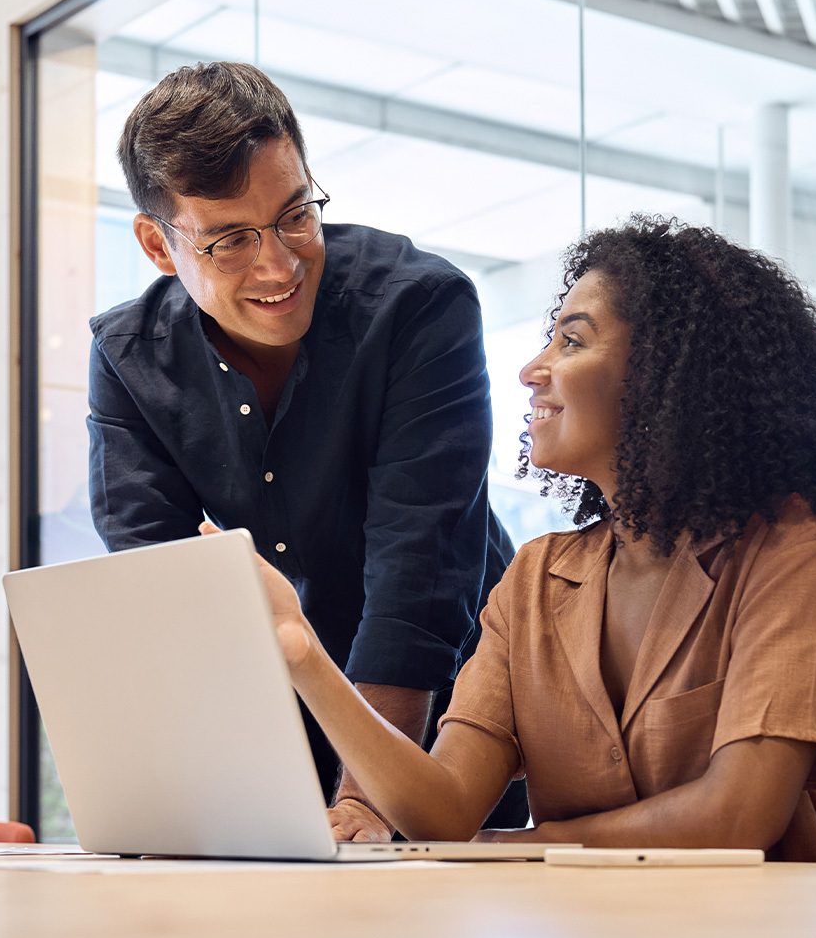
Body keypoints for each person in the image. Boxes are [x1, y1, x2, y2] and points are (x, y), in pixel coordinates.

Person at [231, 216, 816, 860]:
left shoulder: (794, 546)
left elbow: (738, 816)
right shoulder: (536, 579)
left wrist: (533, 846)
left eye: (571, 343)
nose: (532, 369)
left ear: (667, 375)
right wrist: (304, 656)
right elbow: (446, 808)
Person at [87, 61, 524, 837]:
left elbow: (417, 574)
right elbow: (161, 584)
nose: (280, 265)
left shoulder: (419, 309)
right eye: (230, 241)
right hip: (271, 746)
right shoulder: (130, 358)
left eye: (296, 215)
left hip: (451, 735)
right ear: (159, 244)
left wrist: (366, 795)